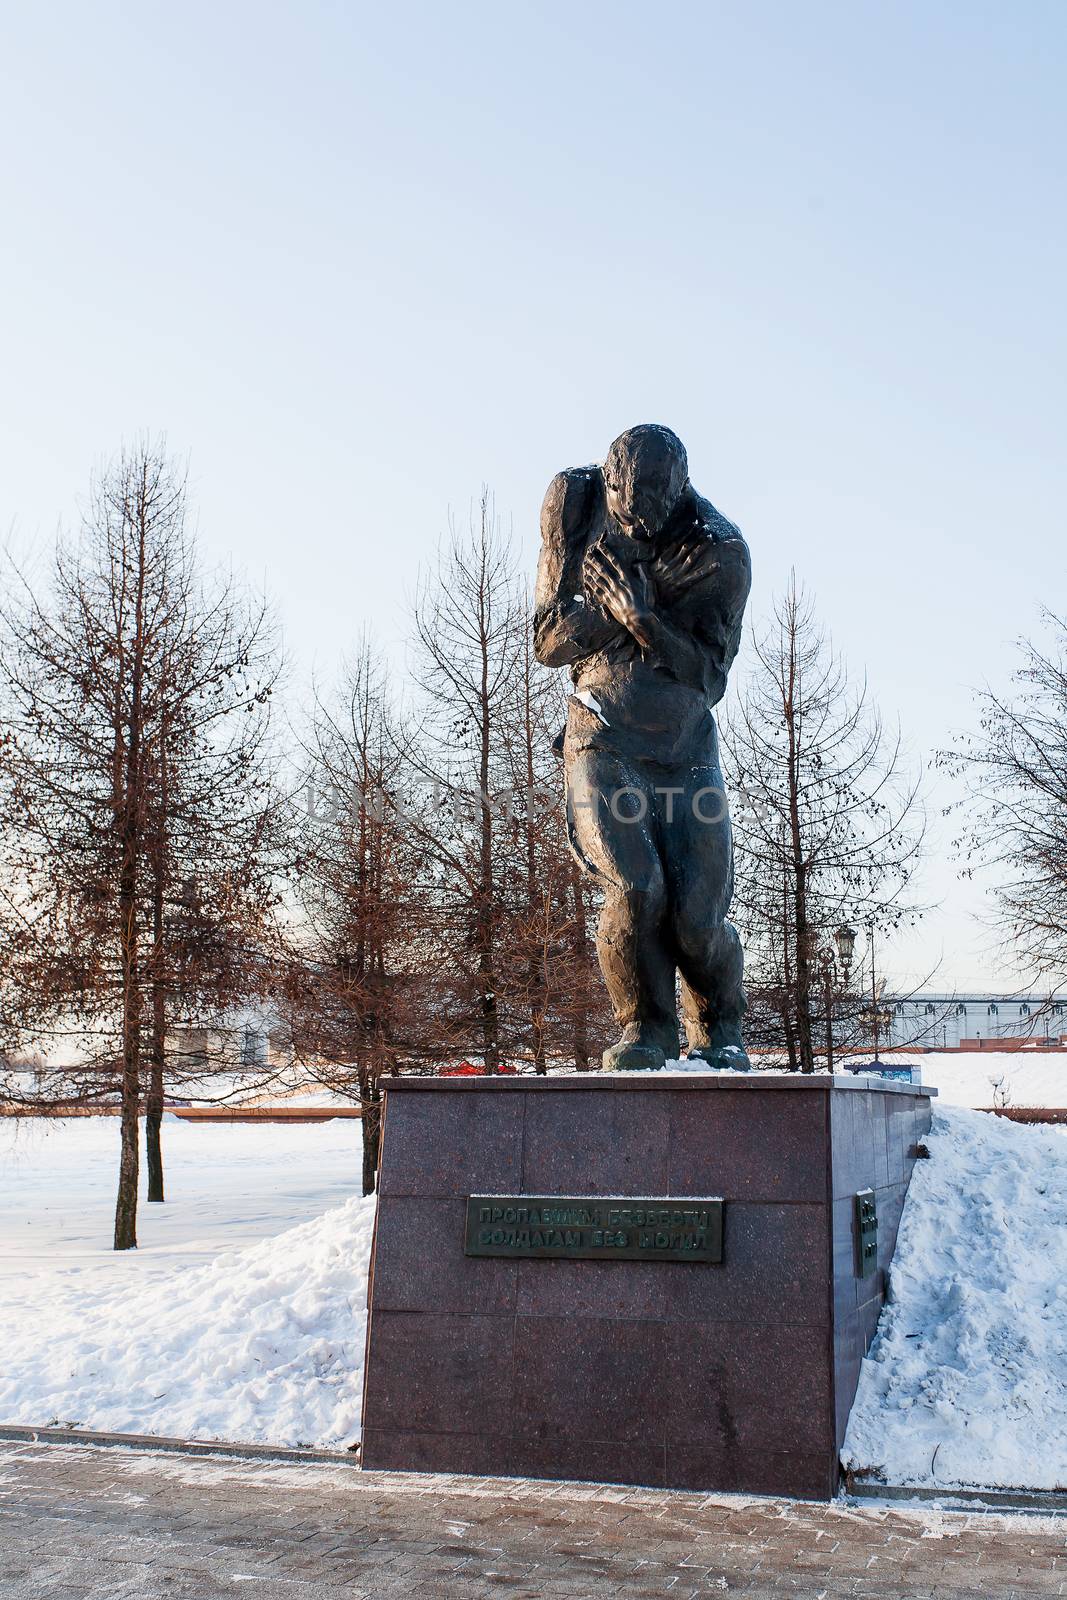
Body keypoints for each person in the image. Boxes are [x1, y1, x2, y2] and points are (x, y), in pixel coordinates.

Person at [534, 424, 752, 1071]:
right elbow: (548, 640)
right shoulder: (575, 506)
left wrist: (642, 615)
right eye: (624, 510)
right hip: (600, 737)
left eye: (649, 513)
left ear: (679, 490)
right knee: (635, 886)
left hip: (686, 750)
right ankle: (644, 1030)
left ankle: (719, 1027)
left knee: (697, 919)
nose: (634, 524)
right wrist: (613, 607)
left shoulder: (719, 551)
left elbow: (708, 676)